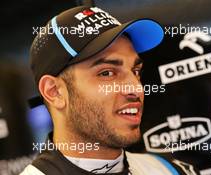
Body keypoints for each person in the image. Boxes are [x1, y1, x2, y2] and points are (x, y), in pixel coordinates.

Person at [21, 5, 198, 175]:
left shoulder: (169, 171)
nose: (136, 88)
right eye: (107, 73)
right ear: (54, 92)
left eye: (136, 72)